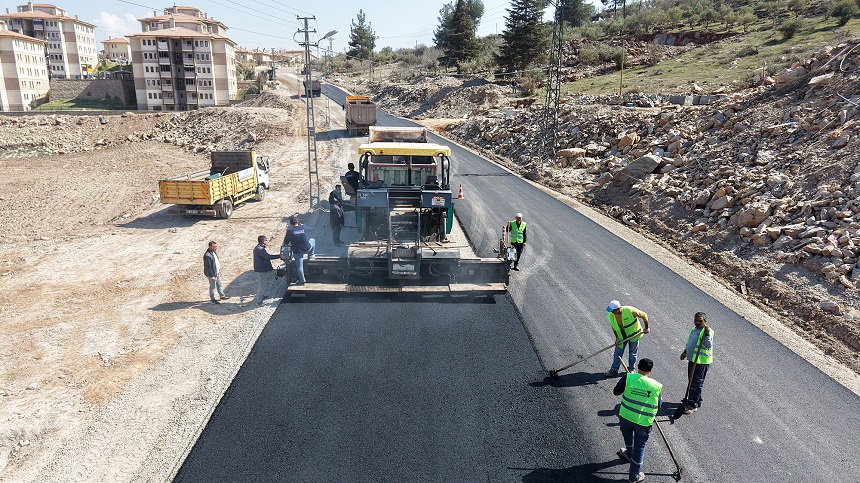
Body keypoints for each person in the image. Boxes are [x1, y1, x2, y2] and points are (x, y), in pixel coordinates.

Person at [614, 358, 662, 483]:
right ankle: (634, 476)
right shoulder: (656, 386)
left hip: (625, 417)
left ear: (638, 367)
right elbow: (659, 406)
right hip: (643, 422)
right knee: (639, 448)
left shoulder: (628, 378)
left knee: (628, 436)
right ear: (650, 370)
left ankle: (629, 453)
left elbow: (616, 392)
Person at [604, 300, 650, 378]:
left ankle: (631, 369)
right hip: (621, 336)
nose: (612, 312)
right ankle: (614, 369)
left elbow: (644, 315)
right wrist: (617, 338)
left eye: (613, 311)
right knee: (617, 353)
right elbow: (614, 328)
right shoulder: (611, 316)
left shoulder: (630, 310)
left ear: (618, 308)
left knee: (632, 353)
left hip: (634, 335)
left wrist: (646, 327)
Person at [680, 312, 713, 414]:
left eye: (700, 321)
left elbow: (708, 346)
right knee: (692, 381)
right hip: (693, 360)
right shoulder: (694, 329)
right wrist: (685, 352)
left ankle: (692, 405)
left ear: (705, 321)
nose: (697, 322)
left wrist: (706, 335)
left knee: (696, 383)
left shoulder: (707, 331)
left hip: (701, 362)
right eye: (696, 320)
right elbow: (690, 342)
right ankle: (696, 400)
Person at [283, 216, 316, 285]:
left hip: (297, 251)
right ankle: (310, 255)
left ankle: (302, 280)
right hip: (306, 248)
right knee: (312, 240)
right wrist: (303, 225)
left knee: (299, 267)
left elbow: (285, 243)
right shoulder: (303, 227)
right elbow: (310, 229)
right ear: (297, 222)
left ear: (291, 224)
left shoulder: (290, 231)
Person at [253, 235, 283, 305]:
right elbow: (268, 257)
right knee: (262, 285)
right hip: (262, 270)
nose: (268, 241)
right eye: (266, 240)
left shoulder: (259, 248)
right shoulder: (260, 249)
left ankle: (265, 295)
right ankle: (259, 301)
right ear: (263, 241)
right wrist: (280, 256)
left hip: (263, 269)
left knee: (264, 283)